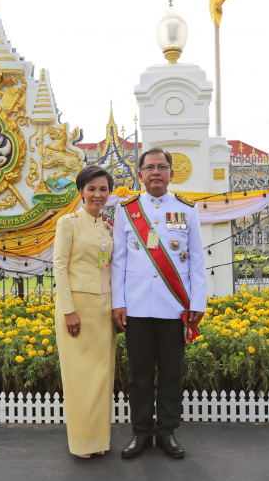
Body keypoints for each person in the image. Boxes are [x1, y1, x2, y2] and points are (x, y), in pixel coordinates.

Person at [111, 147, 207, 459]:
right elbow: (118, 262)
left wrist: (197, 301)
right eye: (150, 167)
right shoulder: (126, 210)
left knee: (171, 373)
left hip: (174, 306)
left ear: (171, 173)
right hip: (137, 307)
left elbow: (196, 260)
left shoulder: (187, 208)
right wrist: (118, 302)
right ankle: (141, 434)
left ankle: (167, 432)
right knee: (138, 376)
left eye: (162, 167)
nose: (156, 172)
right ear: (139, 174)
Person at [53, 166, 116, 458]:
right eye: (91, 189)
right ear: (81, 192)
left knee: (102, 376)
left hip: (104, 309)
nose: (97, 194)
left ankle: (98, 440)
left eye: (103, 189)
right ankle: (81, 443)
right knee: (79, 377)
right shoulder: (69, 223)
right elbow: (59, 267)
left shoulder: (106, 226)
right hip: (77, 308)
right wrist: (68, 311)